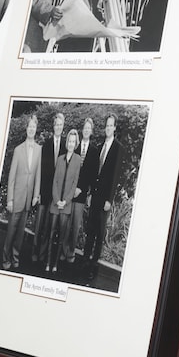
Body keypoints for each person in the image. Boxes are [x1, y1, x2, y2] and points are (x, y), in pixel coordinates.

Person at [81, 114, 122, 280]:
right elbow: (92, 173)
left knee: (99, 233)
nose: (108, 128)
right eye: (107, 125)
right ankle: (84, 260)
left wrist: (109, 200)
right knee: (90, 231)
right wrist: (90, 193)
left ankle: (94, 264)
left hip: (104, 199)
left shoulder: (118, 148)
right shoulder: (99, 147)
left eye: (111, 125)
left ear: (115, 128)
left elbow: (115, 176)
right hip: (95, 195)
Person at [1, 115, 41, 269]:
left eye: (34, 127)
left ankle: (15, 256)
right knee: (11, 231)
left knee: (20, 234)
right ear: (27, 129)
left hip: (28, 199)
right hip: (16, 198)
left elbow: (37, 174)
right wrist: (9, 199)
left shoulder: (39, 150)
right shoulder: (18, 150)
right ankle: (6, 258)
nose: (31, 129)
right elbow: (11, 177)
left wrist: (36, 195)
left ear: (36, 129)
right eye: (29, 126)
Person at [45, 129, 82, 273]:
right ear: (67, 143)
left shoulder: (78, 159)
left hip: (66, 205)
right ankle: (47, 262)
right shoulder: (60, 158)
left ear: (76, 143)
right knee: (50, 233)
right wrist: (56, 200)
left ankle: (55, 264)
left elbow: (74, 184)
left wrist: (65, 201)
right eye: (69, 141)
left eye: (74, 142)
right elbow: (54, 181)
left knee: (61, 236)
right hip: (55, 204)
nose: (71, 144)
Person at [32, 112, 65, 262]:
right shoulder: (46, 144)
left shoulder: (66, 146)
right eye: (56, 124)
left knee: (48, 226)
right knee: (39, 224)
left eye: (60, 124)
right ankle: (34, 251)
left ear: (63, 126)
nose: (58, 127)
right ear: (53, 126)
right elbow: (40, 170)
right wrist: (38, 192)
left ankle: (43, 255)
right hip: (44, 192)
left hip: (56, 194)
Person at [69, 117, 95, 263]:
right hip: (70, 192)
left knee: (75, 224)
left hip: (82, 193)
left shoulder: (94, 150)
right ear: (82, 130)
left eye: (88, 128)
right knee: (67, 223)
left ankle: (71, 252)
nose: (86, 130)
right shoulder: (75, 148)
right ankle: (64, 250)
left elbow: (92, 175)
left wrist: (81, 189)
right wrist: (73, 189)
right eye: (84, 128)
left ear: (91, 131)